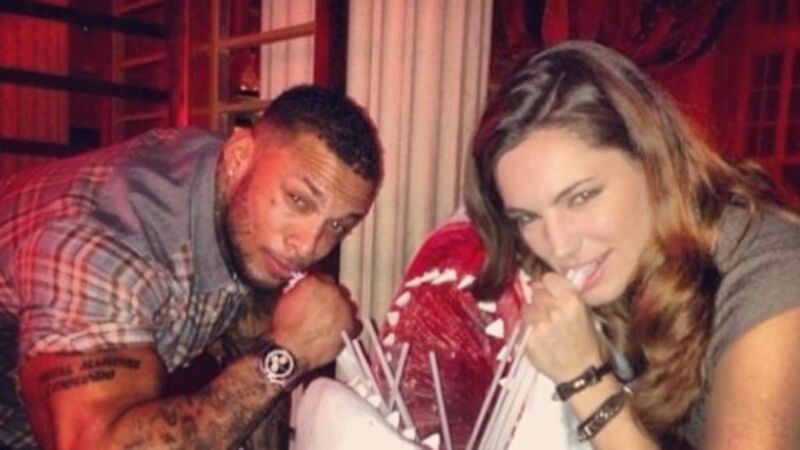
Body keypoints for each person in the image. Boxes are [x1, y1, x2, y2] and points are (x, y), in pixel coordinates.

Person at [0, 84, 383, 450]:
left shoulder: (236, 190)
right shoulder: (103, 253)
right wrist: (285, 355)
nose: (309, 247)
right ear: (239, 156)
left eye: (338, 225)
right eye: (298, 200)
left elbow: (249, 334)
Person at [462, 40, 800, 448]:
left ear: (653, 159)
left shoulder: (773, 279)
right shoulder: (633, 260)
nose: (559, 247)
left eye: (582, 197)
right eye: (527, 218)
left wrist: (583, 380)